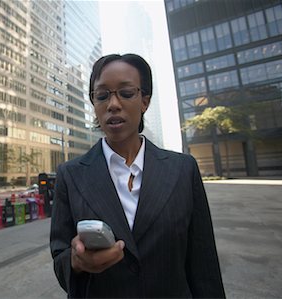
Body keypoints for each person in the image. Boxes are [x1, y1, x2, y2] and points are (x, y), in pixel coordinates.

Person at [50, 54, 225, 298]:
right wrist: (77, 262)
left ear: (145, 101)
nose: (113, 104)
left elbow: (204, 265)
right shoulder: (70, 175)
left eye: (126, 93)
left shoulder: (183, 169)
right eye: (102, 96)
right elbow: (60, 258)